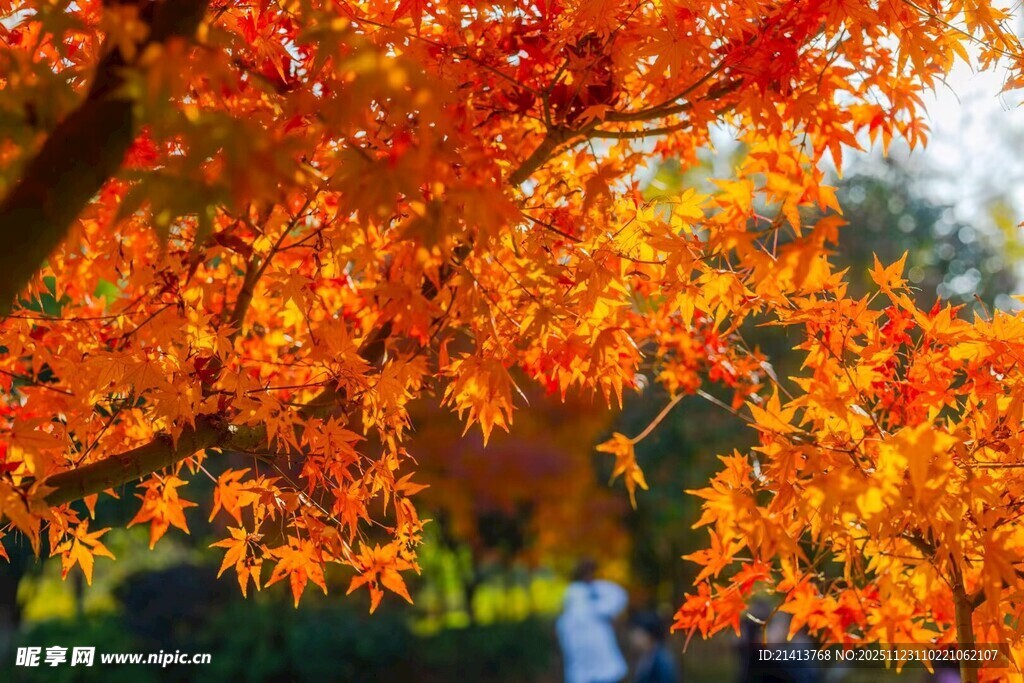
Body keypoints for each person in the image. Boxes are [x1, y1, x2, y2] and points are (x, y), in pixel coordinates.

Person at [556, 559, 629, 683]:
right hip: (584, 664)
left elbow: (618, 598)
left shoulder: (600, 589)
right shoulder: (575, 593)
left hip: (600, 664)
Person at [628, 611, 678, 683]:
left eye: (636, 633)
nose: (632, 637)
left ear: (648, 634)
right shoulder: (646, 655)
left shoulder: (663, 659)